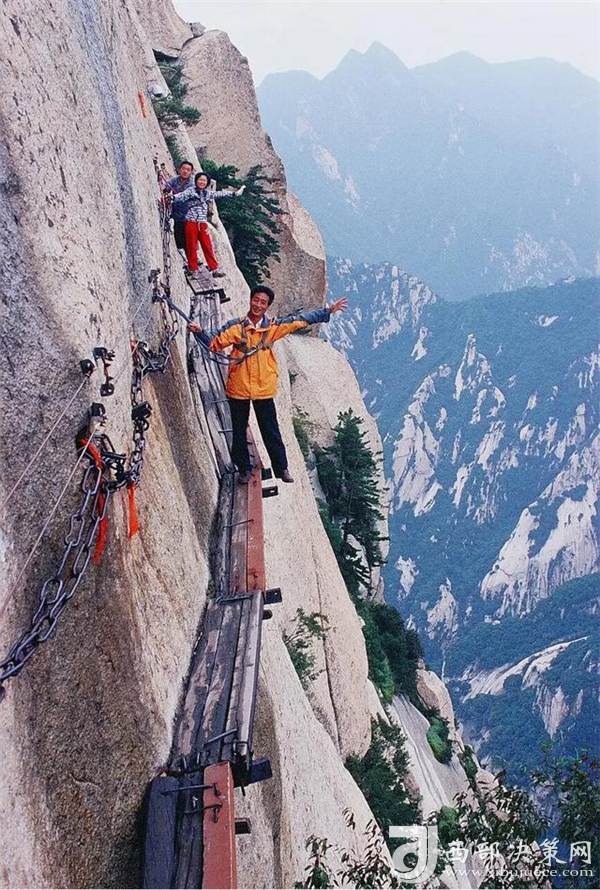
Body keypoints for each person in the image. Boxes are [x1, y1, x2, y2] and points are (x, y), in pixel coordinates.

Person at [188, 286, 348, 483]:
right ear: (250, 300)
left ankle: (281, 468)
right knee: (238, 431)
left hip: (263, 388)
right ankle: (244, 469)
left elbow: (300, 320)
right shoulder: (236, 326)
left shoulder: (273, 327)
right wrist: (200, 332)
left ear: (267, 306)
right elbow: (215, 342)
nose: (258, 305)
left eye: (263, 302)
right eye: (255, 300)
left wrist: (327, 311)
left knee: (271, 431)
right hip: (239, 386)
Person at [168, 172, 245, 280]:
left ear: (207, 183)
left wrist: (234, 194)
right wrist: (172, 198)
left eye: (204, 180)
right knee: (191, 246)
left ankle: (214, 269)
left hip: (202, 224)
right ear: (196, 181)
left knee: (207, 245)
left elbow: (218, 194)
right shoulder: (191, 191)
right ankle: (193, 269)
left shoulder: (206, 193)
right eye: (200, 180)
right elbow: (182, 196)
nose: (202, 182)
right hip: (191, 223)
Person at [165, 160, 195, 261]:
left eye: (188, 170)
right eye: (183, 169)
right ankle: (186, 259)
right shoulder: (176, 180)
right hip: (176, 212)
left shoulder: (192, 185)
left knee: (186, 237)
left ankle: (191, 259)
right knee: (179, 235)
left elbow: (185, 195)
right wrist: (165, 190)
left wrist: (173, 197)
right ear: (179, 170)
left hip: (186, 214)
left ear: (191, 172)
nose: (185, 171)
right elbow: (167, 186)